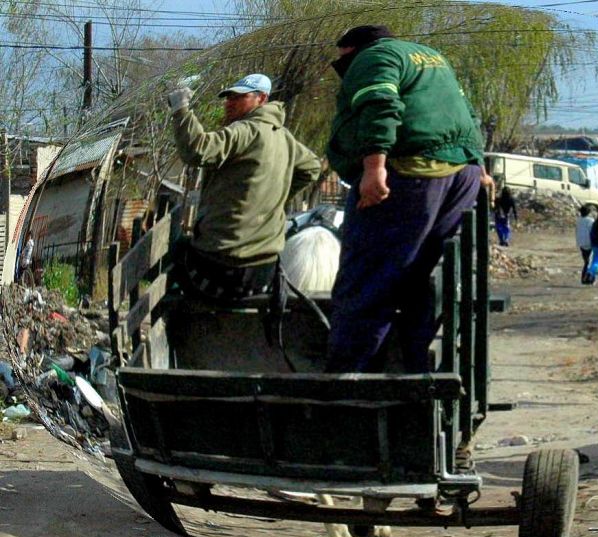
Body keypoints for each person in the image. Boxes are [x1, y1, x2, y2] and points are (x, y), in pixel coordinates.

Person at [325, 25, 491, 373]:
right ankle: (412, 374)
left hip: (411, 173)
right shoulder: (431, 57)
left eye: (344, 63)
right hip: (459, 176)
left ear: (356, 49)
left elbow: (380, 102)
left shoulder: (376, 56)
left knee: (366, 282)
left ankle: (351, 385)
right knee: (418, 280)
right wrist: (479, 164)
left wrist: (375, 167)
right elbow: (466, 114)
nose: (344, 72)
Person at [166, 73, 321, 300]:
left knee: (178, 248)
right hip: (263, 269)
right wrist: (274, 198)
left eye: (239, 97)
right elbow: (312, 167)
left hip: (220, 265)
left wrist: (181, 109)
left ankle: (177, 324)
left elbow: (197, 149)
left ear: (262, 99)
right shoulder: (285, 139)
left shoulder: (245, 131)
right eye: (229, 98)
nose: (230, 103)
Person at [575, 204, 595, 285]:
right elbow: (593, 232)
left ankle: (587, 278)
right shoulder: (591, 221)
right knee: (589, 262)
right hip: (589, 243)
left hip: (581, 243)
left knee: (586, 261)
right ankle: (587, 279)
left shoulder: (578, 220)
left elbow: (577, 231)